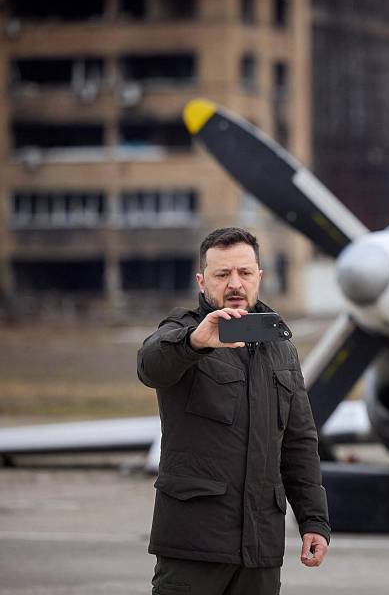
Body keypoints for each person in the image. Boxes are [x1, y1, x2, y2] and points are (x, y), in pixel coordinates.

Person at [138, 227, 330, 595]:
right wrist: (196, 342)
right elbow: (151, 365)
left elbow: (299, 443)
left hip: (260, 551)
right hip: (194, 549)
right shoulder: (182, 333)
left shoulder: (280, 347)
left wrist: (314, 521)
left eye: (244, 273)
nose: (235, 284)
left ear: (259, 276)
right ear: (202, 281)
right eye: (222, 274)